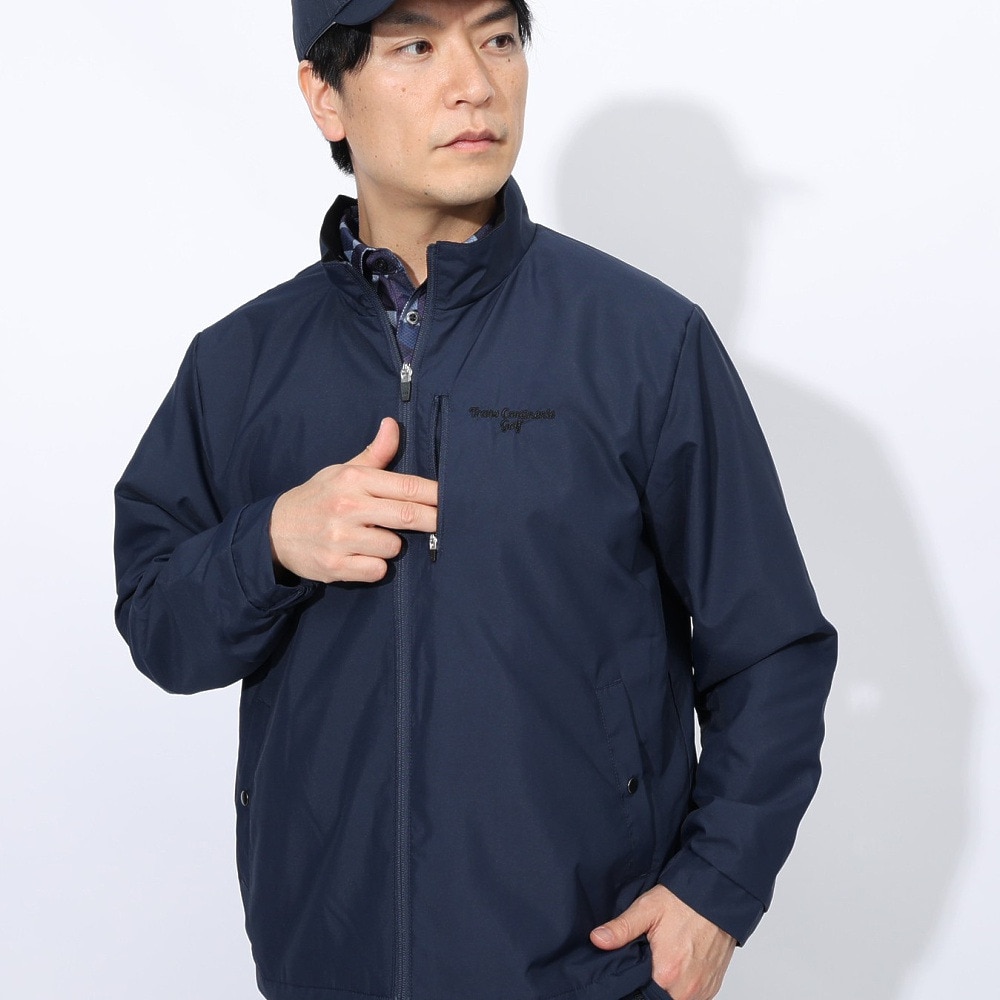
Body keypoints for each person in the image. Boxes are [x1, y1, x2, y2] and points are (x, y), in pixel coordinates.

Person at [113, 2, 837, 999]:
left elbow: (772, 648)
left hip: (586, 970)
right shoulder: (239, 365)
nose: (475, 84)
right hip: (327, 964)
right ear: (326, 96)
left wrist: (715, 891)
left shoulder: (644, 342)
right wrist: (270, 541)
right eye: (416, 46)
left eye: (498, 38)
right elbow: (159, 626)